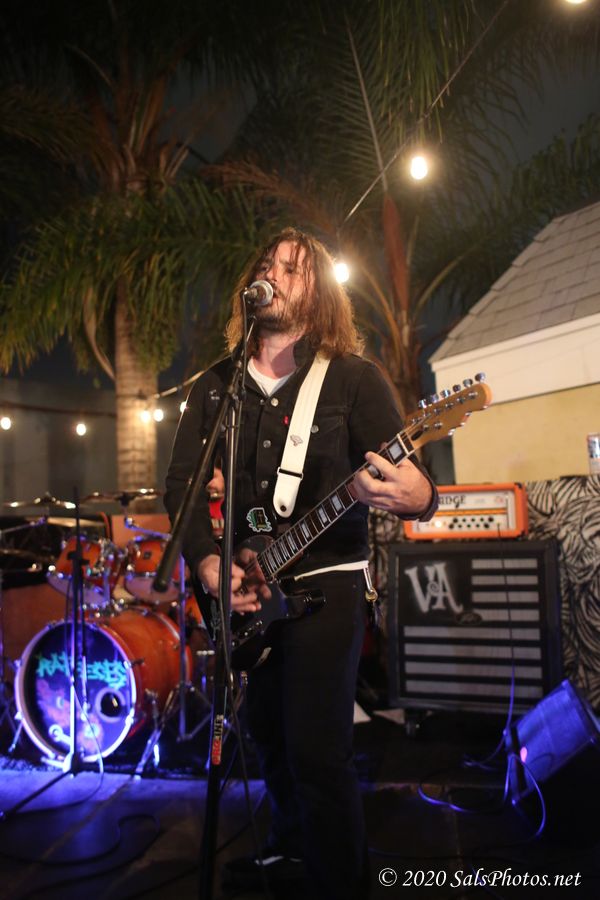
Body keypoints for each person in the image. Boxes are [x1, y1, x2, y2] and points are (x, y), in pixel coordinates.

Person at [164, 227, 437, 900]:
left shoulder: (353, 379)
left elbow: (415, 486)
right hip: (247, 591)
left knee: (317, 750)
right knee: (269, 741)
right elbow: (181, 486)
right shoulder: (217, 386)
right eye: (268, 263)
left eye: (293, 267)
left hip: (327, 586)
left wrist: (419, 496)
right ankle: (291, 853)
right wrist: (207, 563)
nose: (275, 273)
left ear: (320, 294)